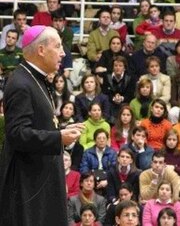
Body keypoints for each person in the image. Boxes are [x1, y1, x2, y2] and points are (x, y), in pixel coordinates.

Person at [0, 25, 84, 226]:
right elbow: (17, 133)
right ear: (41, 50)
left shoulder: (36, 79)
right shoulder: (21, 83)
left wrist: (60, 132)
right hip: (27, 185)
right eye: (58, 46)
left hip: (39, 180)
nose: (63, 53)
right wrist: (58, 137)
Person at [100, 56, 136, 124]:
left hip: (125, 102)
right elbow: (105, 92)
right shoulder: (106, 76)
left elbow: (131, 93)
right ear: (113, 67)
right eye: (116, 65)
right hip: (111, 101)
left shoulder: (131, 77)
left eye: (120, 66)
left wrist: (122, 98)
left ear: (124, 68)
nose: (118, 68)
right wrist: (113, 98)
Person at [59, 101, 84, 171]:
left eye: (70, 109)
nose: (67, 110)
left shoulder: (75, 124)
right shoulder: (55, 122)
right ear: (61, 109)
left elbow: (76, 166)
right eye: (66, 108)